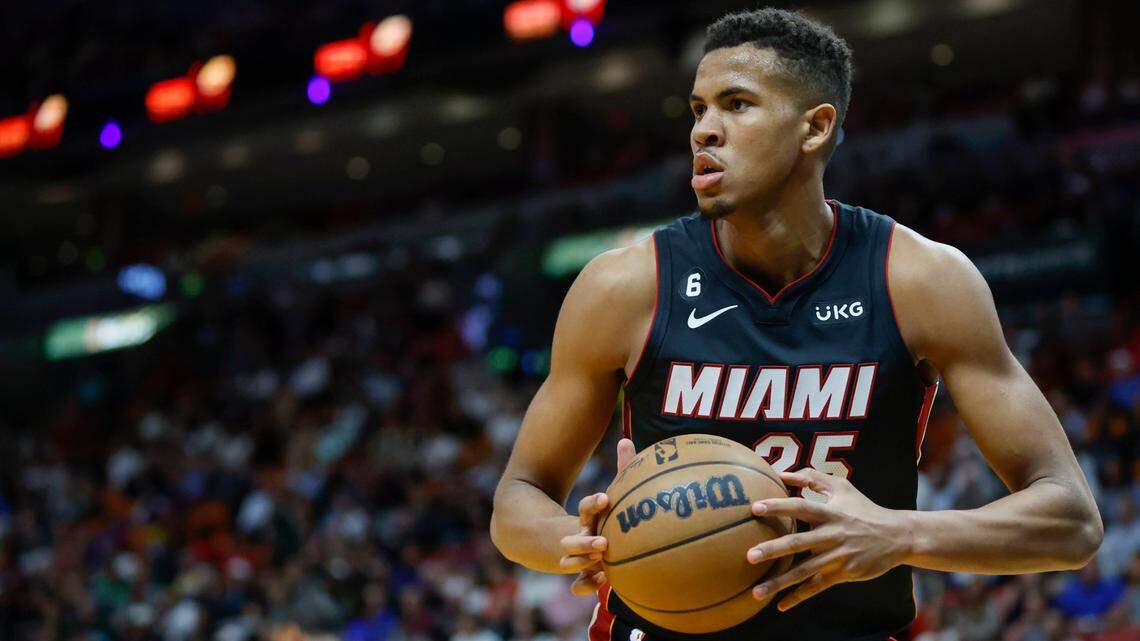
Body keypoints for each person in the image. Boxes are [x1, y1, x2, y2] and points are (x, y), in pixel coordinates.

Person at [489, 7, 1102, 641]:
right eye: (698, 110)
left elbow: (1071, 521)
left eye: (736, 105)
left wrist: (897, 533)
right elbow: (516, 500)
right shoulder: (624, 286)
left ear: (814, 128)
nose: (704, 131)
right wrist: (583, 540)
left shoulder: (919, 280)